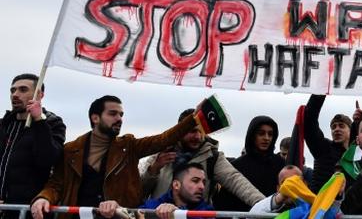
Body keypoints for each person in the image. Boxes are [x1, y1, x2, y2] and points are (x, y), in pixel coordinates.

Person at [31, 95, 198, 219]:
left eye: (121, 114)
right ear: (95, 118)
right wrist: (43, 198)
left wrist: (193, 118)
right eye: (113, 114)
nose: (119, 119)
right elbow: (56, 184)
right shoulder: (71, 149)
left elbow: (164, 139)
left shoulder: (129, 145)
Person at [141, 109, 265, 209]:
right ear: (179, 131)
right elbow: (139, 191)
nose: (198, 136)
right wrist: (153, 170)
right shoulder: (161, 153)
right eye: (193, 131)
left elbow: (236, 181)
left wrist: (266, 205)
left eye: (202, 131)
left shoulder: (213, 157)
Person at [0, 74, 66, 212]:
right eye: (13, 90)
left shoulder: (53, 123)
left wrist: (39, 121)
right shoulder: (4, 124)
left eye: (23, 90)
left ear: (39, 95)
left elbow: (47, 159)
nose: (15, 95)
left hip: (29, 210)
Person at [213, 115, 284, 210]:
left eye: (270, 134)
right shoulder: (237, 165)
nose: (266, 138)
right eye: (261, 133)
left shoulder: (281, 164)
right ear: (252, 135)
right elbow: (224, 204)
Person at [303, 94, 352, 193]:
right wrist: (319, 93)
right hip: (320, 205)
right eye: (333, 127)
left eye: (341, 126)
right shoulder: (323, 148)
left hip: (347, 206)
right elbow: (309, 121)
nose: (336, 129)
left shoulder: (357, 155)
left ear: (350, 131)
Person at [140, 163, 213, 218]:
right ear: (176, 185)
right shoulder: (155, 205)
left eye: (204, 182)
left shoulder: (207, 211)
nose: (202, 187)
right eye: (195, 181)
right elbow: (137, 213)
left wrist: (178, 215)